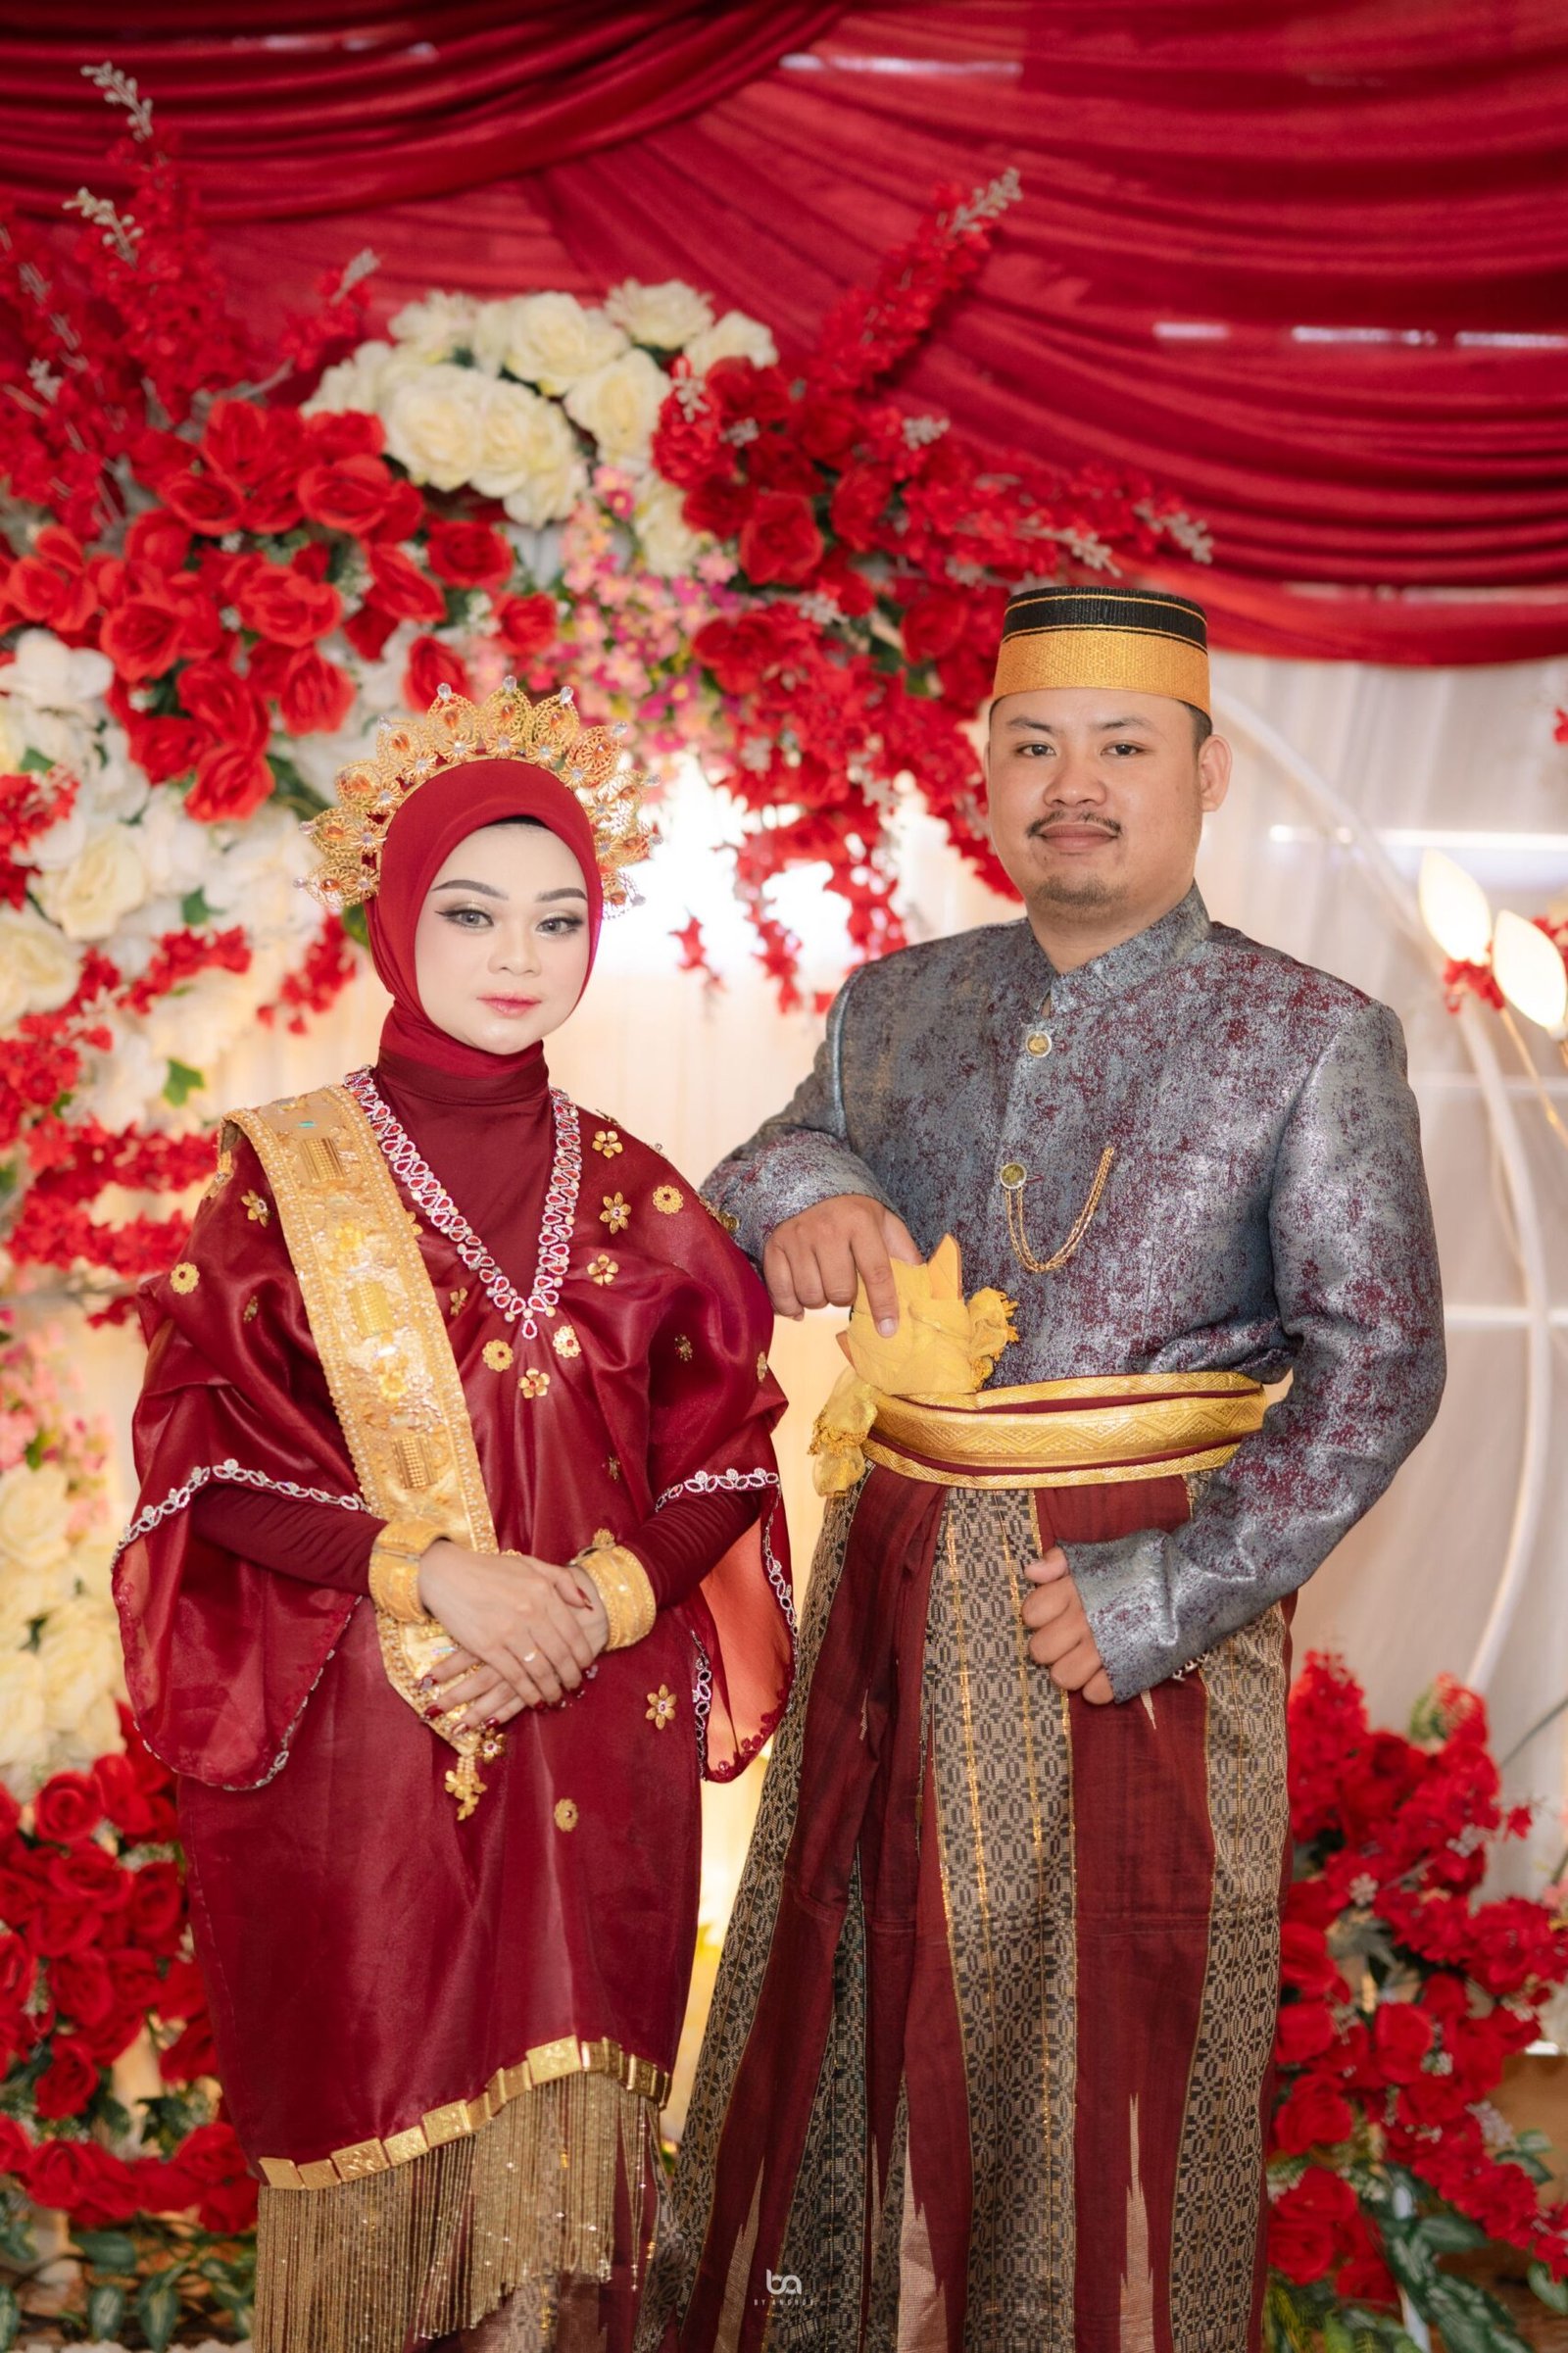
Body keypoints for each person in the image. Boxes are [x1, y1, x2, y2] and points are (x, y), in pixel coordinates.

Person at [647, 587, 1446, 2353]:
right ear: (989, 778)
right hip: (893, 1589)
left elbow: (1382, 1360)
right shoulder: (897, 1004)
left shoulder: (1309, 1033)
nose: (1073, 785)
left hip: (1126, 1615)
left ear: (1207, 775)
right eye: (1034, 745)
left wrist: (1170, 1589)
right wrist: (807, 1186)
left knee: (1109, 2054)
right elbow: (759, 1162)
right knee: (847, 2002)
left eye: (1122, 745)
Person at [114, 683, 794, 2353]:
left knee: (566, 2242)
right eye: (472, 912)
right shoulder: (286, 1179)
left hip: (599, 1727)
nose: (518, 953)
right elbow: (203, 1456)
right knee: (391, 2201)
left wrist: (603, 1601)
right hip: (368, 1743)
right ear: (396, 919)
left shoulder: (639, 1185)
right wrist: (431, 1574)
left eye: (560, 918)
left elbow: (725, 1452)